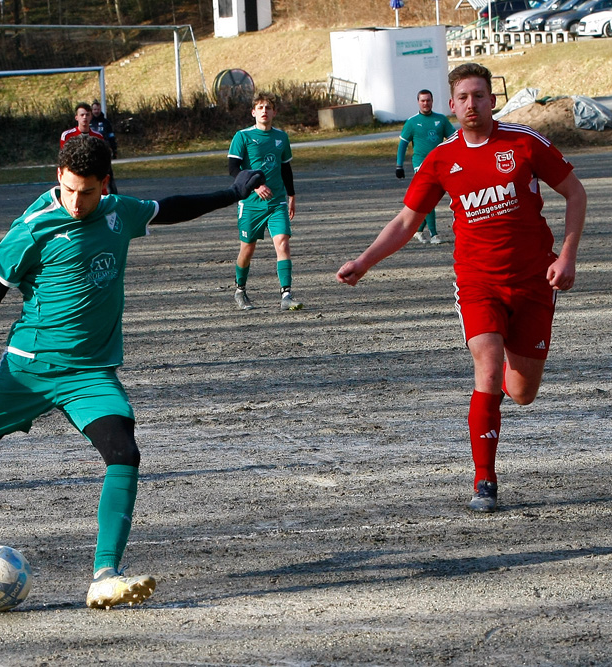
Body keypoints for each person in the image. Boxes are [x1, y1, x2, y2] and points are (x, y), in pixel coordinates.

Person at [0, 135, 264, 609]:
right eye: (67, 189)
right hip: (29, 369)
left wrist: (233, 192)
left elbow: (166, 208)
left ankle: (105, 574)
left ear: (103, 185)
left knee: (124, 451)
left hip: (89, 372)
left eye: (86, 192)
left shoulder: (116, 212)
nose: (75, 201)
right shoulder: (33, 226)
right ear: (58, 179)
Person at [337, 63, 587, 514]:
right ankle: (484, 481)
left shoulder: (524, 143)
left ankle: (513, 359)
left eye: (479, 95)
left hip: (533, 282)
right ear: (451, 106)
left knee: (523, 392)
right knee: (487, 370)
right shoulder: (440, 159)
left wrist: (567, 256)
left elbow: (575, 192)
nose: (471, 105)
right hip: (478, 283)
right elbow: (406, 222)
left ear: (492, 100)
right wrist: (363, 262)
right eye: (463, 98)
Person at [227, 91, 302, 311]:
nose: (264, 111)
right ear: (253, 112)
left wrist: (292, 196)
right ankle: (240, 291)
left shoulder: (281, 137)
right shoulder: (242, 136)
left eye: (268, 107)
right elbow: (233, 169)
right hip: (250, 203)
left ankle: (286, 295)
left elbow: (285, 168)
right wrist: (255, 185)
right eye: (260, 107)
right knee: (247, 249)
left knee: (283, 243)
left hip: (277, 202)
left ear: (274, 112)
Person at [396, 89, 455, 245]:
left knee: (430, 198)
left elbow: (454, 139)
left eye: (428, 100)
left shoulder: (441, 120)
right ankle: (434, 235)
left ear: (432, 101)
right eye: (422, 100)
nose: (426, 103)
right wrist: (399, 165)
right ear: (418, 102)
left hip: (438, 163)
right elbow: (403, 144)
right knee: (428, 196)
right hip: (420, 164)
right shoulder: (412, 122)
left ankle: (419, 230)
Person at [63, 102, 117, 195]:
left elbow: (101, 159)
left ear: (91, 117)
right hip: (75, 176)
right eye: (82, 115)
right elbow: (64, 159)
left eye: (87, 115)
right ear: (77, 117)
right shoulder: (68, 135)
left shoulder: (98, 136)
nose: (85, 117)